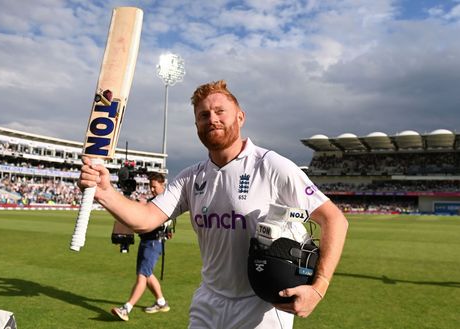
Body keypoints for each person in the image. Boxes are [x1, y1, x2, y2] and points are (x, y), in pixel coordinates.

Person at [79, 80, 348, 328]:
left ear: (240, 117)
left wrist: (318, 287)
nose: (212, 119)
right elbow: (146, 218)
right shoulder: (191, 177)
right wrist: (105, 192)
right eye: (203, 115)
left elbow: (334, 219)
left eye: (220, 111)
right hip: (208, 303)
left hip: (261, 308)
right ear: (196, 125)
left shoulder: (271, 166)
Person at [111, 172, 173, 321]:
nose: (152, 189)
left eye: (154, 186)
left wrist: (142, 205)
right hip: (148, 241)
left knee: (142, 277)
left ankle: (126, 308)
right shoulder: (158, 201)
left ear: (162, 184)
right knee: (147, 274)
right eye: (150, 186)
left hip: (153, 243)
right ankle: (161, 302)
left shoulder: (162, 202)